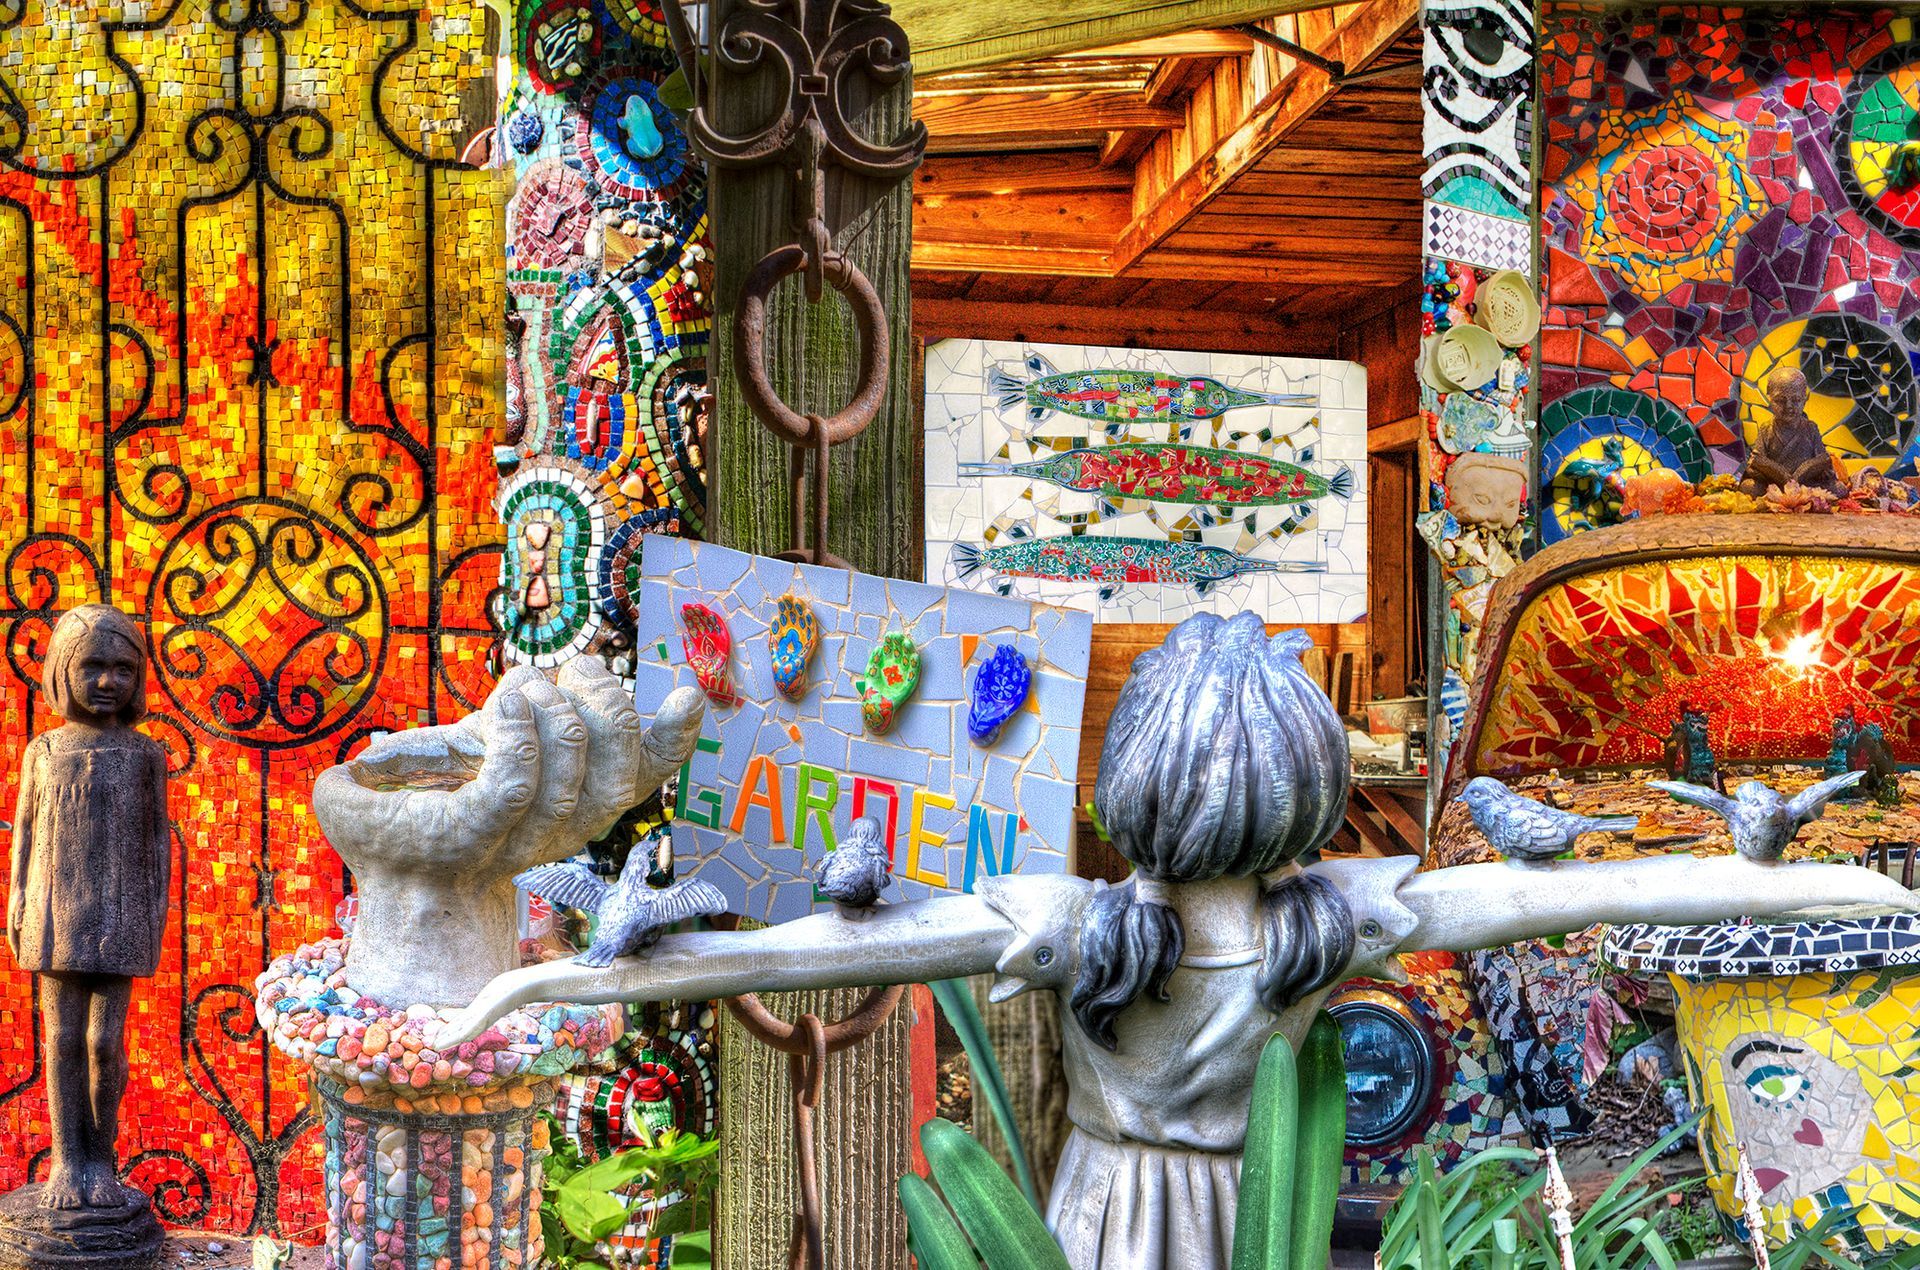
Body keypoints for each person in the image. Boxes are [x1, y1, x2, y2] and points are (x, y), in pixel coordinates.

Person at [432, 616, 1915, 1270]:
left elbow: (803, 952)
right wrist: (1848, 895)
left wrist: (582, 968)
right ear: (1301, 780)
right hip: (1253, 1220)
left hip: (1094, 1218)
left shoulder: (1069, 919)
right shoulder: (1344, 914)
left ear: (1139, 773)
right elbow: (1585, 896)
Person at [8, 606, 170, 1210]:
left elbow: (157, 844)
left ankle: (100, 1161)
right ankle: (66, 1161)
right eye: (93, 667)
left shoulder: (144, 754)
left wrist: (153, 917)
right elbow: (25, 835)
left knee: (106, 1042)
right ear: (62, 671)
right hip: (55, 912)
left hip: (121, 913)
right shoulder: (44, 751)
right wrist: (19, 902)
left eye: (123, 669)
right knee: (61, 1037)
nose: (108, 682)